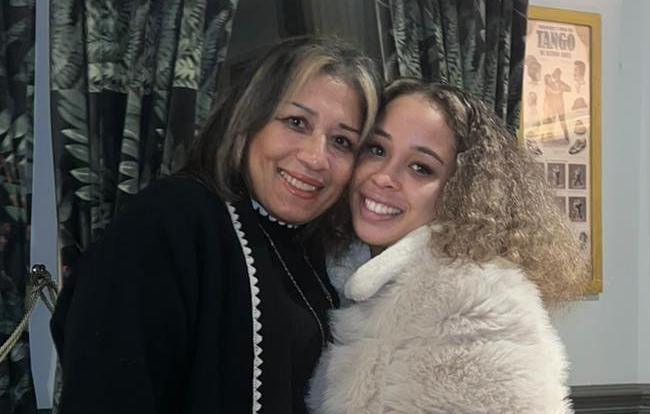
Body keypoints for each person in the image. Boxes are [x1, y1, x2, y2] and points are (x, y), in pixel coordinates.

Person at [50, 37, 381, 414]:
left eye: (341, 141)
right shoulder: (169, 221)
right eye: (296, 122)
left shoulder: (306, 250)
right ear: (247, 122)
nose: (316, 158)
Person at [307, 79, 587, 413]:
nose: (384, 176)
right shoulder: (347, 276)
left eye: (420, 168)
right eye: (377, 150)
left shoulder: (472, 302)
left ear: (457, 193)